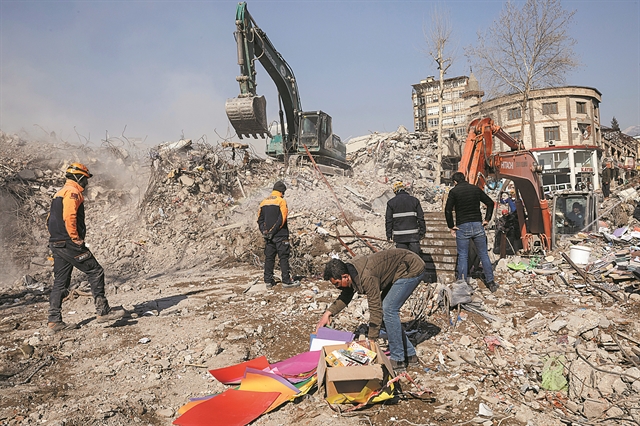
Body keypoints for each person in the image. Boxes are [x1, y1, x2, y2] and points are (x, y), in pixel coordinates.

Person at [316, 249, 427, 372]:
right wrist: (328, 313)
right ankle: (410, 355)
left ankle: (398, 359)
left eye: (337, 284)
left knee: (388, 309)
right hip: (397, 270)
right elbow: (346, 296)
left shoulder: (366, 277)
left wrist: (371, 340)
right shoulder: (351, 273)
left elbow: (375, 308)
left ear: (345, 277)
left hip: (411, 267)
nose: (337, 287)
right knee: (387, 310)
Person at [47, 162, 124, 334]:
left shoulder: (59, 193)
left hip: (57, 243)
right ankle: (103, 311)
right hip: (69, 243)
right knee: (95, 271)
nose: (87, 183)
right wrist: (75, 239)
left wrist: (56, 237)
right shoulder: (73, 193)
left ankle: (54, 321)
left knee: (60, 281)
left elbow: (49, 220)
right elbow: (70, 216)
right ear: (79, 177)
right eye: (86, 179)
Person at [444, 172, 498, 292]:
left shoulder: (454, 192)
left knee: (463, 256)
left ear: (454, 182)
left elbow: (447, 210)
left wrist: (451, 226)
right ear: (465, 179)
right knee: (483, 254)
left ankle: (462, 283)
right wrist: (487, 219)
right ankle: (491, 282)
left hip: (462, 226)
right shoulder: (475, 189)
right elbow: (490, 203)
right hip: (478, 225)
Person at [257, 181, 299, 288]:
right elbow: (282, 219)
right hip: (280, 235)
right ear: (282, 191)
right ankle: (286, 281)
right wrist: (273, 231)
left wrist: (265, 232)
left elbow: (259, 220)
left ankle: (268, 281)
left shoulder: (263, 202)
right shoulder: (281, 201)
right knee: (283, 257)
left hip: (268, 237)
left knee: (269, 258)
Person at [385, 181, 426, 255]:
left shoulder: (391, 203)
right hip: (413, 237)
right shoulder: (414, 200)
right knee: (415, 259)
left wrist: (389, 234)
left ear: (395, 191)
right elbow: (420, 217)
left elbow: (389, 220)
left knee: (402, 259)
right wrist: (422, 232)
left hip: (399, 237)